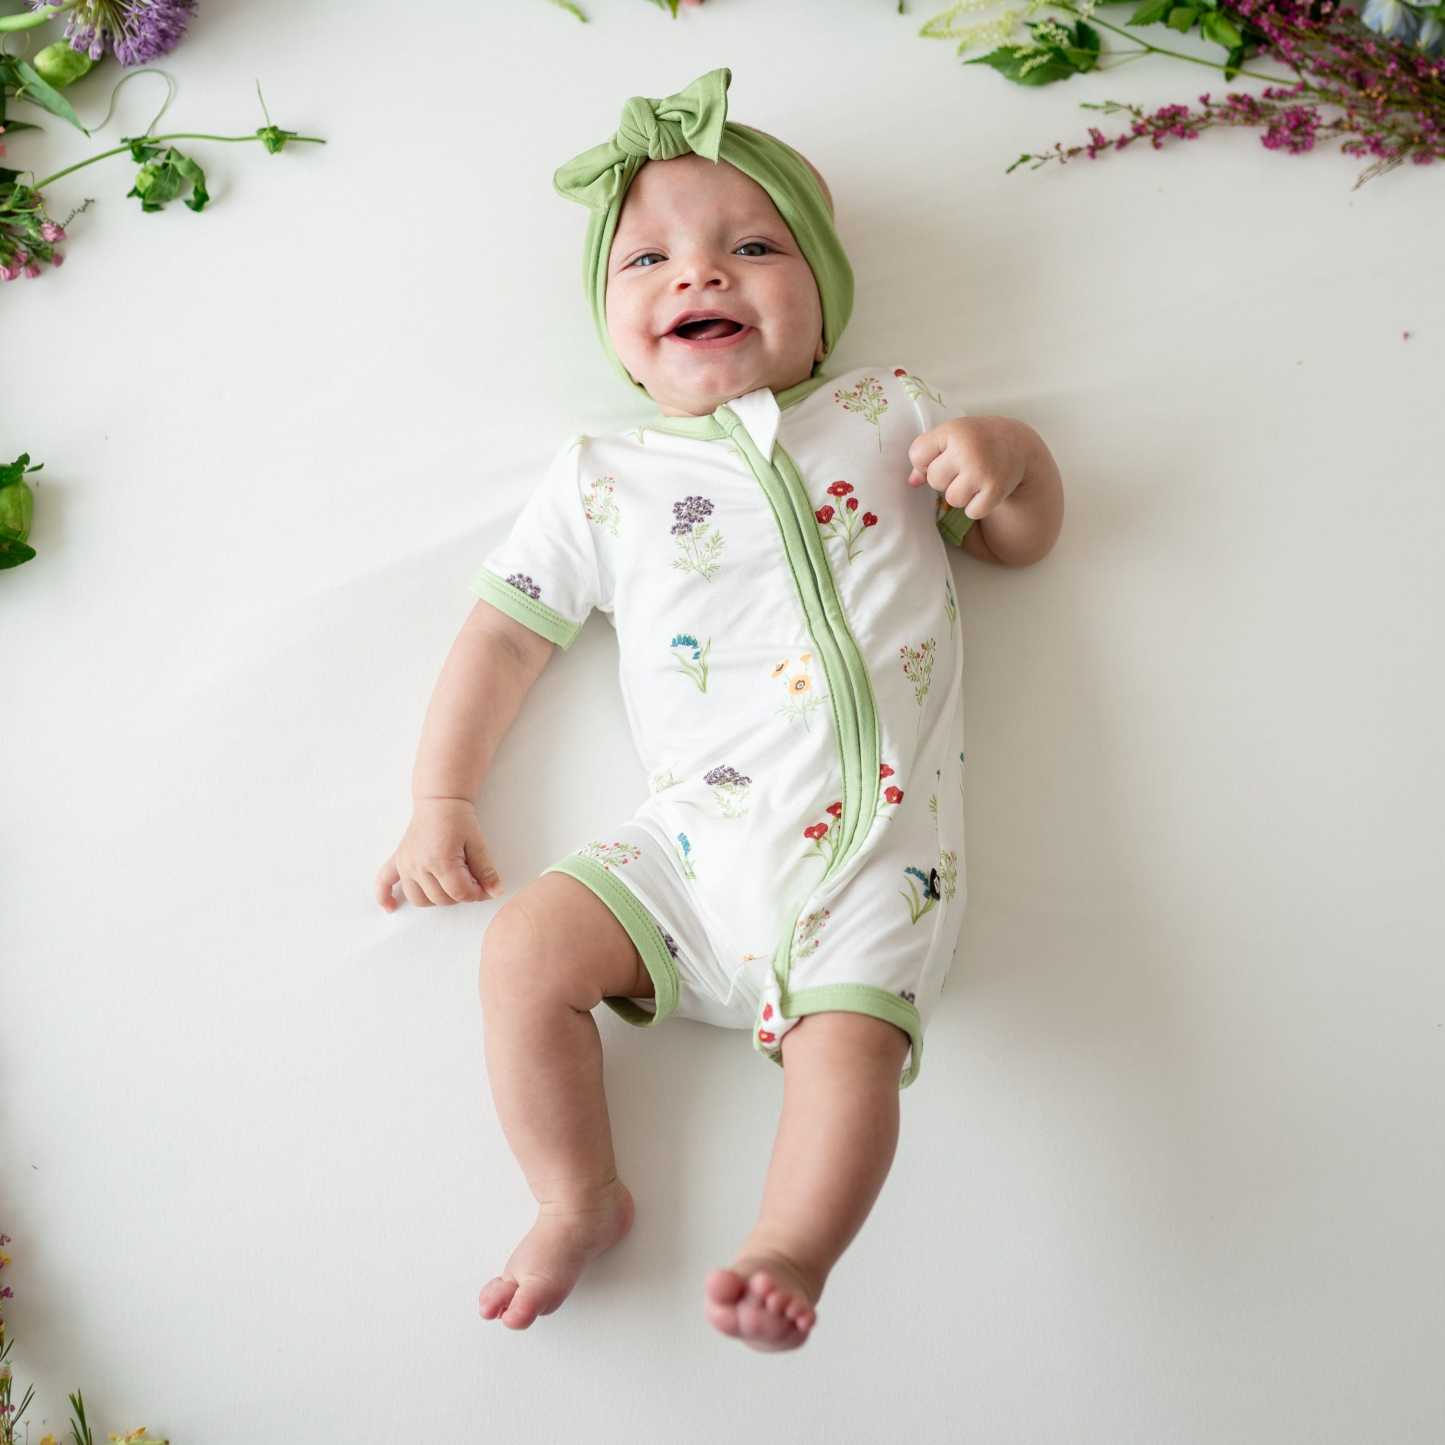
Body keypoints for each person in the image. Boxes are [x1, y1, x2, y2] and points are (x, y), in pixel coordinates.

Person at [374, 68, 1064, 1352]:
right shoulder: (601, 476)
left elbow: (1019, 544)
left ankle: (789, 1243)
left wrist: (1010, 460)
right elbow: (501, 638)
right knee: (525, 948)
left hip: (872, 846)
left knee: (846, 1054)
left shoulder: (886, 409)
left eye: (750, 246)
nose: (698, 275)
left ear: (823, 296)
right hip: (686, 853)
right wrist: (441, 799)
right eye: (647, 258)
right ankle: (573, 1192)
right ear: (609, 318)